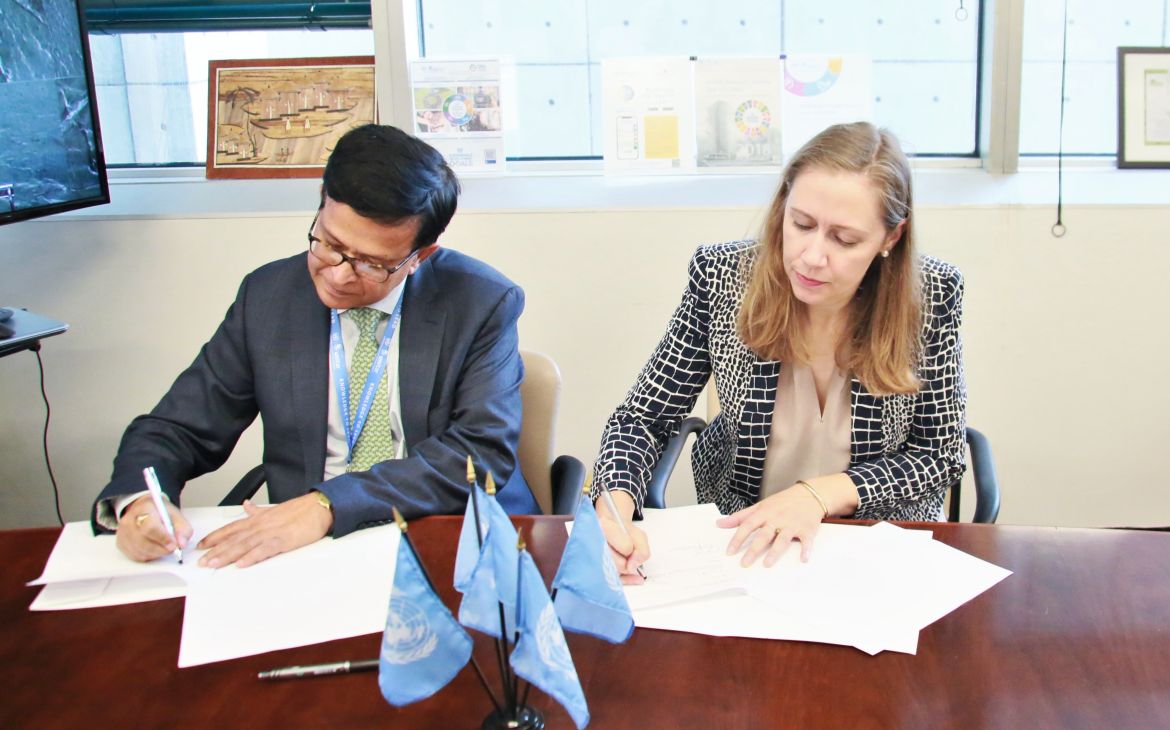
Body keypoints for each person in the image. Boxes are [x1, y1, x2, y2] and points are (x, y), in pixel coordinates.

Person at [92, 124, 538, 568]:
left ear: (420, 256)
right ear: (322, 201)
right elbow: (177, 428)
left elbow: (480, 454)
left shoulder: (480, 302)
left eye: (373, 264)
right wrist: (141, 502)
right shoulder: (267, 298)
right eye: (329, 244)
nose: (340, 274)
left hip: (443, 534)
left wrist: (330, 503)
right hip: (309, 555)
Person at [592, 121, 966, 582]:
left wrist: (816, 495)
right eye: (801, 224)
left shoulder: (931, 296)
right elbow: (643, 418)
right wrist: (615, 508)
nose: (811, 256)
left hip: (877, 538)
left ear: (890, 238)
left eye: (844, 240)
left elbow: (940, 453)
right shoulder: (723, 277)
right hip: (747, 536)